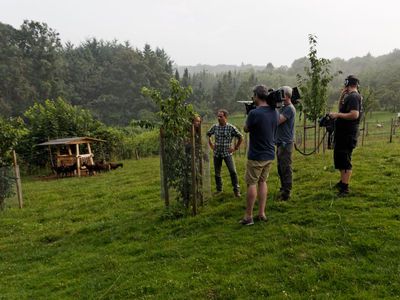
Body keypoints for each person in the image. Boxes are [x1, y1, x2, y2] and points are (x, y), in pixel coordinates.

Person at [239, 85, 279, 225]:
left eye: (253, 95)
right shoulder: (275, 112)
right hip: (269, 154)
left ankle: (248, 216)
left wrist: (250, 114)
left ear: (256, 96)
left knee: (252, 183)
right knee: (263, 182)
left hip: (256, 155)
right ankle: (261, 213)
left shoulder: (254, 113)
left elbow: (246, 129)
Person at [329, 75, 362, 196]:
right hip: (342, 133)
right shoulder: (349, 96)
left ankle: (345, 188)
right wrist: (342, 96)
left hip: (348, 134)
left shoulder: (354, 97)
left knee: (345, 159)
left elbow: (354, 115)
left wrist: (337, 115)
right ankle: (342, 182)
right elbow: (341, 109)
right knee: (341, 158)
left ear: (347, 83)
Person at [207, 109, 243, 197]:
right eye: (218, 116)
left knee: (232, 171)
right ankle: (219, 190)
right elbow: (208, 134)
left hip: (227, 153)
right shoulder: (214, 127)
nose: (219, 118)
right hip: (217, 153)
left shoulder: (231, 127)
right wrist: (211, 144)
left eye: (221, 116)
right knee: (217, 172)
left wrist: (235, 147)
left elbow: (240, 137)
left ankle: (236, 190)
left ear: (225, 117)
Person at [276, 86, 296, 201]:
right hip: (280, 141)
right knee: (280, 167)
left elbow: (277, 121)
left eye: (281, 94)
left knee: (285, 167)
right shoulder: (283, 107)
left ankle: (286, 193)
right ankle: (283, 188)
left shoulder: (289, 108)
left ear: (286, 96)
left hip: (285, 143)